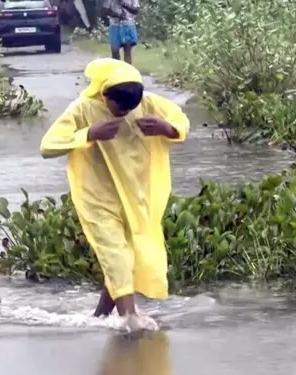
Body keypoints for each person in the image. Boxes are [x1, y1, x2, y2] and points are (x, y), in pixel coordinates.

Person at [39, 58, 190, 332]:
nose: (125, 113)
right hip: (97, 196)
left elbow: (179, 120)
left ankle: (98, 317)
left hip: (135, 195)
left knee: (129, 257)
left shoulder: (147, 103)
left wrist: (166, 129)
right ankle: (130, 320)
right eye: (119, 108)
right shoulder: (83, 109)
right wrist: (88, 133)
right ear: (105, 94)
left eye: (130, 108)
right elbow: (47, 146)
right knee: (117, 256)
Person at [102, 0, 140, 65]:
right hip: (115, 25)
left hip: (128, 25)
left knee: (127, 51)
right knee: (115, 51)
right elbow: (105, 10)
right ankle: (116, 72)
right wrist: (117, 15)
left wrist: (123, 4)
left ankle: (127, 72)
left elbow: (135, 10)